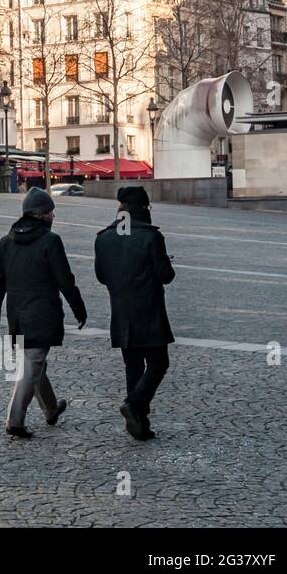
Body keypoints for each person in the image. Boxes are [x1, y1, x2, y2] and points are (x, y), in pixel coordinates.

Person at [0, 187, 88, 438]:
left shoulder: (6, 241)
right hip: (42, 316)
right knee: (32, 364)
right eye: (52, 212)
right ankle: (15, 421)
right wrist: (79, 308)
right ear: (42, 214)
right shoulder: (50, 241)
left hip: (17, 317)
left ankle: (51, 409)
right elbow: (65, 279)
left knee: (34, 363)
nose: (54, 217)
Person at [94, 186, 175, 441]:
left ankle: (140, 423)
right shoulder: (151, 237)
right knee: (159, 363)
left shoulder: (103, 237)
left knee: (133, 365)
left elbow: (101, 276)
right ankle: (134, 404)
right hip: (149, 311)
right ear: (143, 209)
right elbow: (166, 276)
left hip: (121, 311)